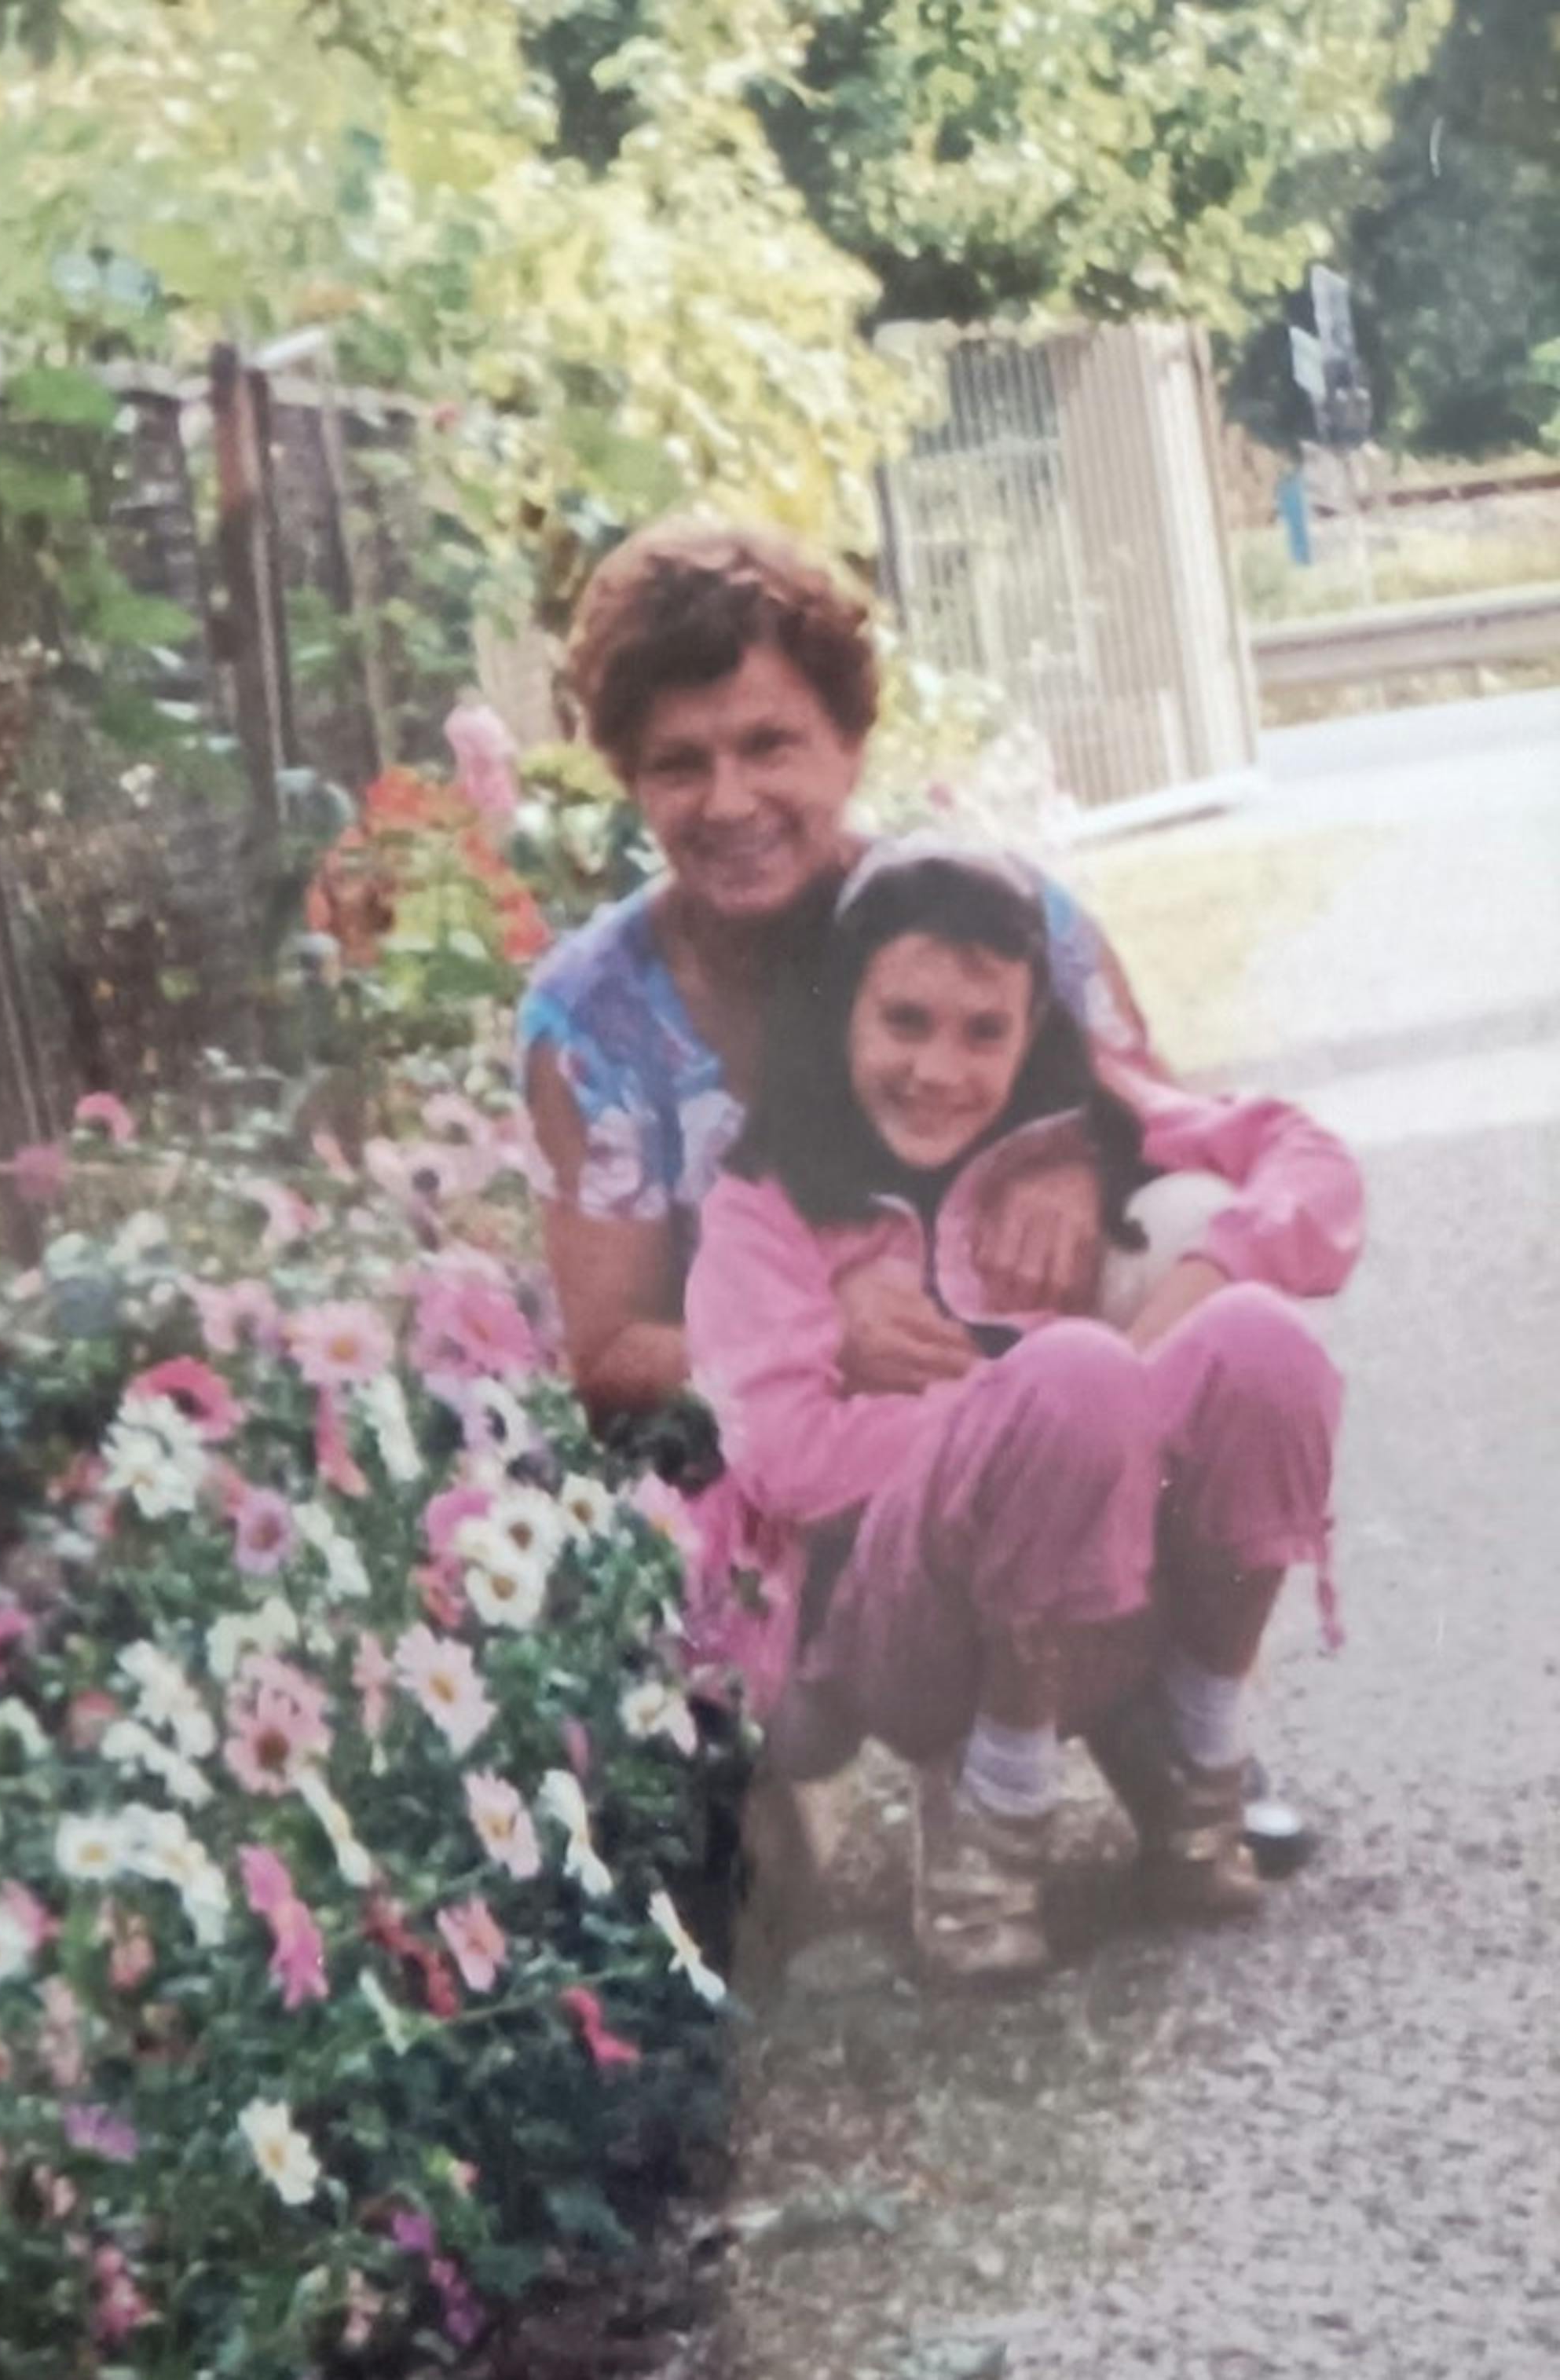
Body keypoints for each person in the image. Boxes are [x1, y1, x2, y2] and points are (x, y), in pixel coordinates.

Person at [683, 843, 1361, 1983]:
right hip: (904, 1640)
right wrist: (1027, 1416)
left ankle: (1200, 1765)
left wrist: (1202, 1281)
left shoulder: (1074, 1128)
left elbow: (1312, 1163)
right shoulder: (768, 1199)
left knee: (1262, 1343)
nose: (939, 1069)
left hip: (1116, 1584)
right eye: (904, 1021)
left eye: (982, 1032)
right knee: (1075, 1380)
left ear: (1032, 1025)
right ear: (838, 1007)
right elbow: (788, 1454)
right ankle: (991, 1829)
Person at [517, 520, 1158, 1424]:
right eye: (680, 765)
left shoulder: (1008, 919)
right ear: (631, 781)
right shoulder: (593, 1020)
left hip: (1058, 1417)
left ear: (850, 747)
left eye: (770, 746)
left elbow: (1188, 1145)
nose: (730, 802)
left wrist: (1084, 1159)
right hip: (803, 1479)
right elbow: (613, 1349)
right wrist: (811, 1333)